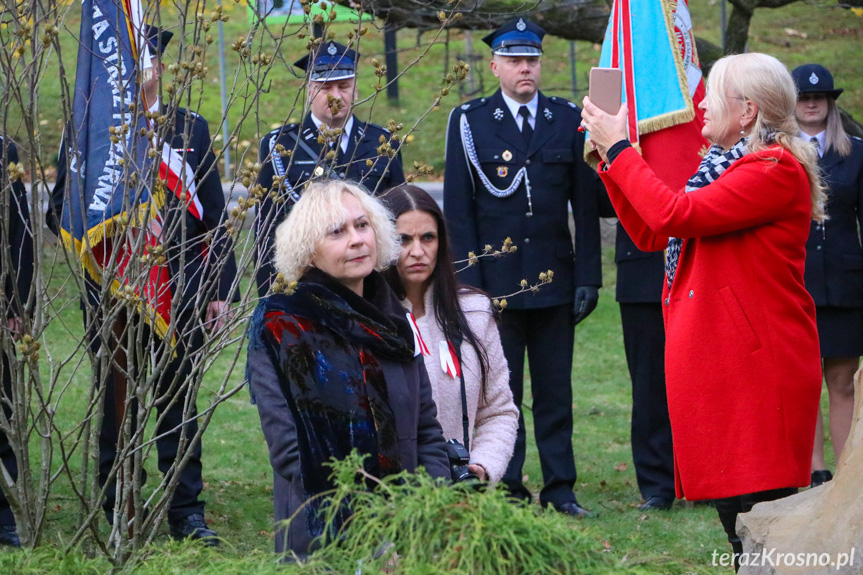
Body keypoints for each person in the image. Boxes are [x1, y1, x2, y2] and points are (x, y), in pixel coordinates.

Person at [581, 52, 824, 570]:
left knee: (765, 526)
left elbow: (676, 214)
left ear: (749, 111)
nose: (699, 104)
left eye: (711, 92)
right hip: (729, 368)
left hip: (759, 372)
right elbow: (653, 230)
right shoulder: (725, 168)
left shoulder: (775, 169)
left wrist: (622, 148)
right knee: (737, 524)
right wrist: (610, 160)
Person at [48, 26, 237, 544]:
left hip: (180, 288)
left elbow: (214, 217)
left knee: (179, 401)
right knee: (116, 403)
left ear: (160, 67)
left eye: (149, 60)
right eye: (132, 61)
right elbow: (55, 212)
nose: (143, 71)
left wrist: (220, 289)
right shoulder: (87, 131)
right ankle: (117, 505)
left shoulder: (188, 129)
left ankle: (186, 512)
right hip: (112, 293)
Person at [443, 17, 602, 516]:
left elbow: (586, 205)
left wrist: (590, 276)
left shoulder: (566, 118)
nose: (524, 68)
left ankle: (560, 488)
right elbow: (459, 210)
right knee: (501, 395)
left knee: (556, 392)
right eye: (513, 60)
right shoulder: (470, 122)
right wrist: (470, 285)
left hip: (555, 279)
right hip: (498, 288)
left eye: (531, 59)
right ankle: (508, 485)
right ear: (495, 66)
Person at [246, 180, 450, 559]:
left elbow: (426, 432)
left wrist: (431, 507)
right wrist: (368, 528)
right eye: (336, 232)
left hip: (410, 532)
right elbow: (289, 449)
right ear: (308, 251)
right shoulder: (282, 325)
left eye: (362, 225)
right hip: (323, 539)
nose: (356, 240)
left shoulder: (395, 324)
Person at [381, 184, 518, 484]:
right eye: (402, 239)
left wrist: (482, 467)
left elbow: (499, 411)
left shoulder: (475, 311)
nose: (417, 251)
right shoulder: (368, 318)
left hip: (462, 499)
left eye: (427, 237)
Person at [253, 41, 406, 298]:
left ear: (356, 90)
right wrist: (273, 296)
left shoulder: (383, 143)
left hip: (375, 285)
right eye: (325, 88)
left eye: (344, 86)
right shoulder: (281, 145)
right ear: (309, 91)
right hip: (308, 285)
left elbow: (399, 218)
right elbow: (268, 228)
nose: (336, 95)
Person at [791, 63, 863, 488]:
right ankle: (815, 470)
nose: (812, 103)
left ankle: (848, 473)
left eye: (820, 97)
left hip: (844, 282)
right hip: (792, 282)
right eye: (802, 97)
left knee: (841, 379)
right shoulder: (772, 149)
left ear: (831, 103)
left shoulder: (856, 151)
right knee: (801, 381)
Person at [596, 194, 675, 511]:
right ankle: (658, 482)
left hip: (703, 252)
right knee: (649, 382)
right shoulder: (624, 139)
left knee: (706, 379)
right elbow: (603, 202)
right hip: (642, 261)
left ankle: (707, 474)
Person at [0, 136, 34, 548]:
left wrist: (16, 304)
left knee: (2, 409)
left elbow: (20, 235)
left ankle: (3, 513)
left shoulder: (4, 150)